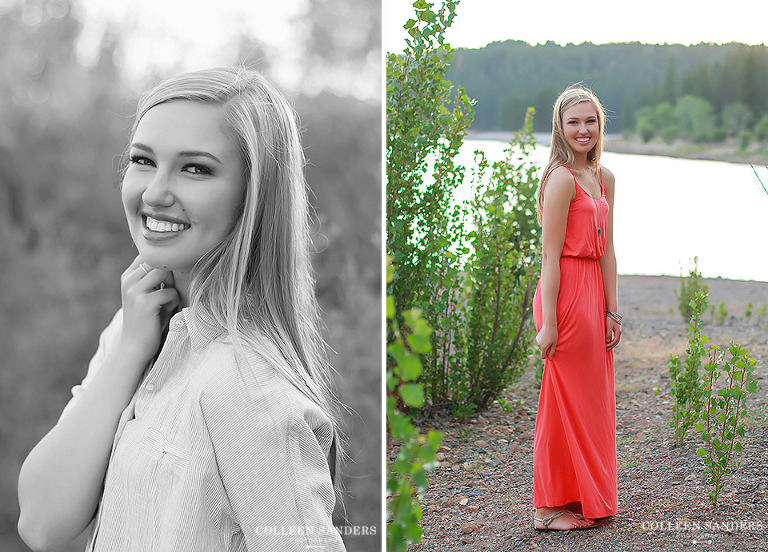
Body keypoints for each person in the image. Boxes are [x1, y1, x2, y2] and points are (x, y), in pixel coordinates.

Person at [17, 67, 346, 551]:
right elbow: (42, 522)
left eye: (195, 168)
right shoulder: (136, 327)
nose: (153, 193)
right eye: (143, 161)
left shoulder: (246, 386)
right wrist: (129, 349)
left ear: (253, 196)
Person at [531, 84, 621, 531]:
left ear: (599, 125)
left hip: (595, 297)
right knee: (560, 400)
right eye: (573, 122)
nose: (582, 129)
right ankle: (547, 509)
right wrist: (548, 323)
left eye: (590, 121)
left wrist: (613, 310)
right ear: (560, 128)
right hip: (563, 294)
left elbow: (608, 251)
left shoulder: (604, 178)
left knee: (592, 403)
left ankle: (582, 495)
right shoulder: (561, 178)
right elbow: (550, 257)